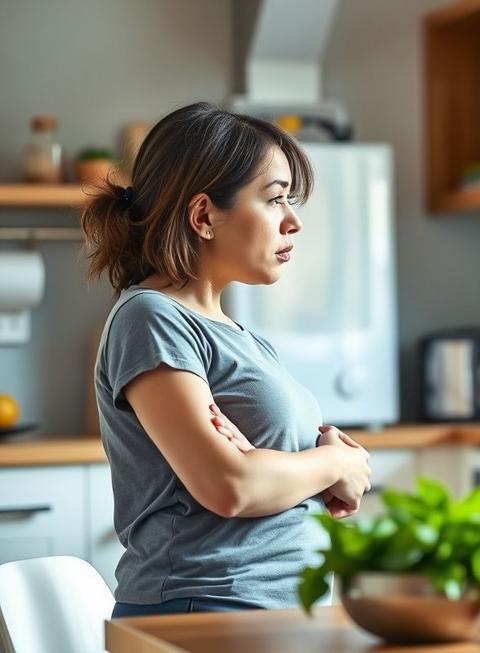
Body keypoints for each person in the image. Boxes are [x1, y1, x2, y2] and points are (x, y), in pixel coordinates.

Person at [81, 102, 372, 617]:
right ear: (203, 216)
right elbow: (231, 486)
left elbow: (256, 476)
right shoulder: (151, 318)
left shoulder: (243, 338)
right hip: (204, 609)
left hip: (271, 614)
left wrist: (285, 466)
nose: (293, 222)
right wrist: (334, 463)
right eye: (275, 199)